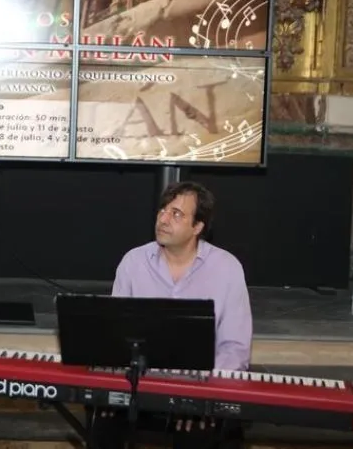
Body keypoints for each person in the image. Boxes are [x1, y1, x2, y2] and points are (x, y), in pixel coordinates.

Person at [90, 181, 252, 448]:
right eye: (162, 211)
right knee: (104, 424)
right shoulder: (134, 262)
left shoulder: (227, 269)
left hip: (201, 387)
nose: (163, 219)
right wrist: (112, 387)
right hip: (140, 386)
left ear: (198, 227)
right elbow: (114, 337)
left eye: (176, 214)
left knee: (199, 433)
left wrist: (199, 397)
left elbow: (234, 348)